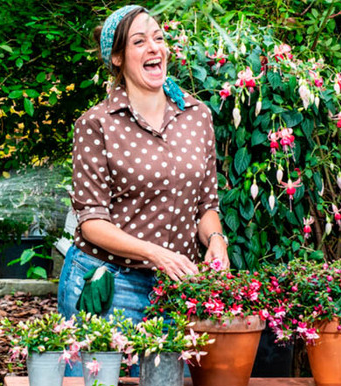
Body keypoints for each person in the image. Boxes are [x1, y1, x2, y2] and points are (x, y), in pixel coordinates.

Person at [58, 4, 229, 334]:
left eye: (159, 38)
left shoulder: (196, 116)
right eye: (139, 42)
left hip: (176, 288)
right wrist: (158, 254)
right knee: (104, 385)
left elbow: (206, 206)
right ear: (117, 57)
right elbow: (92, 223)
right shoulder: (96, 124)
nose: (154, 48)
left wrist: (217, 241)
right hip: (107, 283)